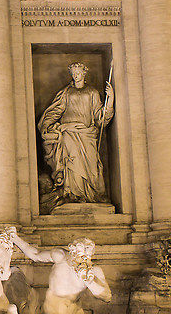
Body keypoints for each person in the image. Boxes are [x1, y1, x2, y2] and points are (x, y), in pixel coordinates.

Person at [8, 230, 111, 314]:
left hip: (75, 309)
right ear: (72, 251)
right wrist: (15, 239)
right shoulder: (60, 257)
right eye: (79, 255)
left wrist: (90, 283)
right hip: (54, 307)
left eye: (87, 257)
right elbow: (35, 255)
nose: (83, 259)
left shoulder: (94, 271)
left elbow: (107, 296)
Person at [38, 62, 114, 207]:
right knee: (72, 164)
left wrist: (110, 99)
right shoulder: (66, 93)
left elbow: (100, 117)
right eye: (73, 74)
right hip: (69, 133)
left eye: (78, 73)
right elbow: (55, 111)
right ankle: (72, 194)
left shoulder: (92, 93)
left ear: (84, 74)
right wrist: (47, 125)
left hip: (87, 135)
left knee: (92, 165)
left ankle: (91, 195)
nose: (75, 76)